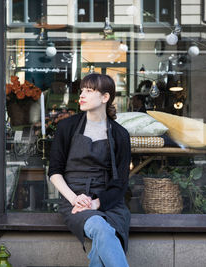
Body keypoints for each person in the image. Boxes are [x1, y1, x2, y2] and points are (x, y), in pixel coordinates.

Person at [48, 73, 131, 267]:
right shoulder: (66, 127)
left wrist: (96, 203)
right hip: (74, 199)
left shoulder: (120, 134)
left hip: (109, 201)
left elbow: (121, 183)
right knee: (100, 228)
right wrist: (75, 199)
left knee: (102, 244)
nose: (82, 95)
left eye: (89, 90)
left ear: (105, 97)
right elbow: (54, 171)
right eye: (82, 90)